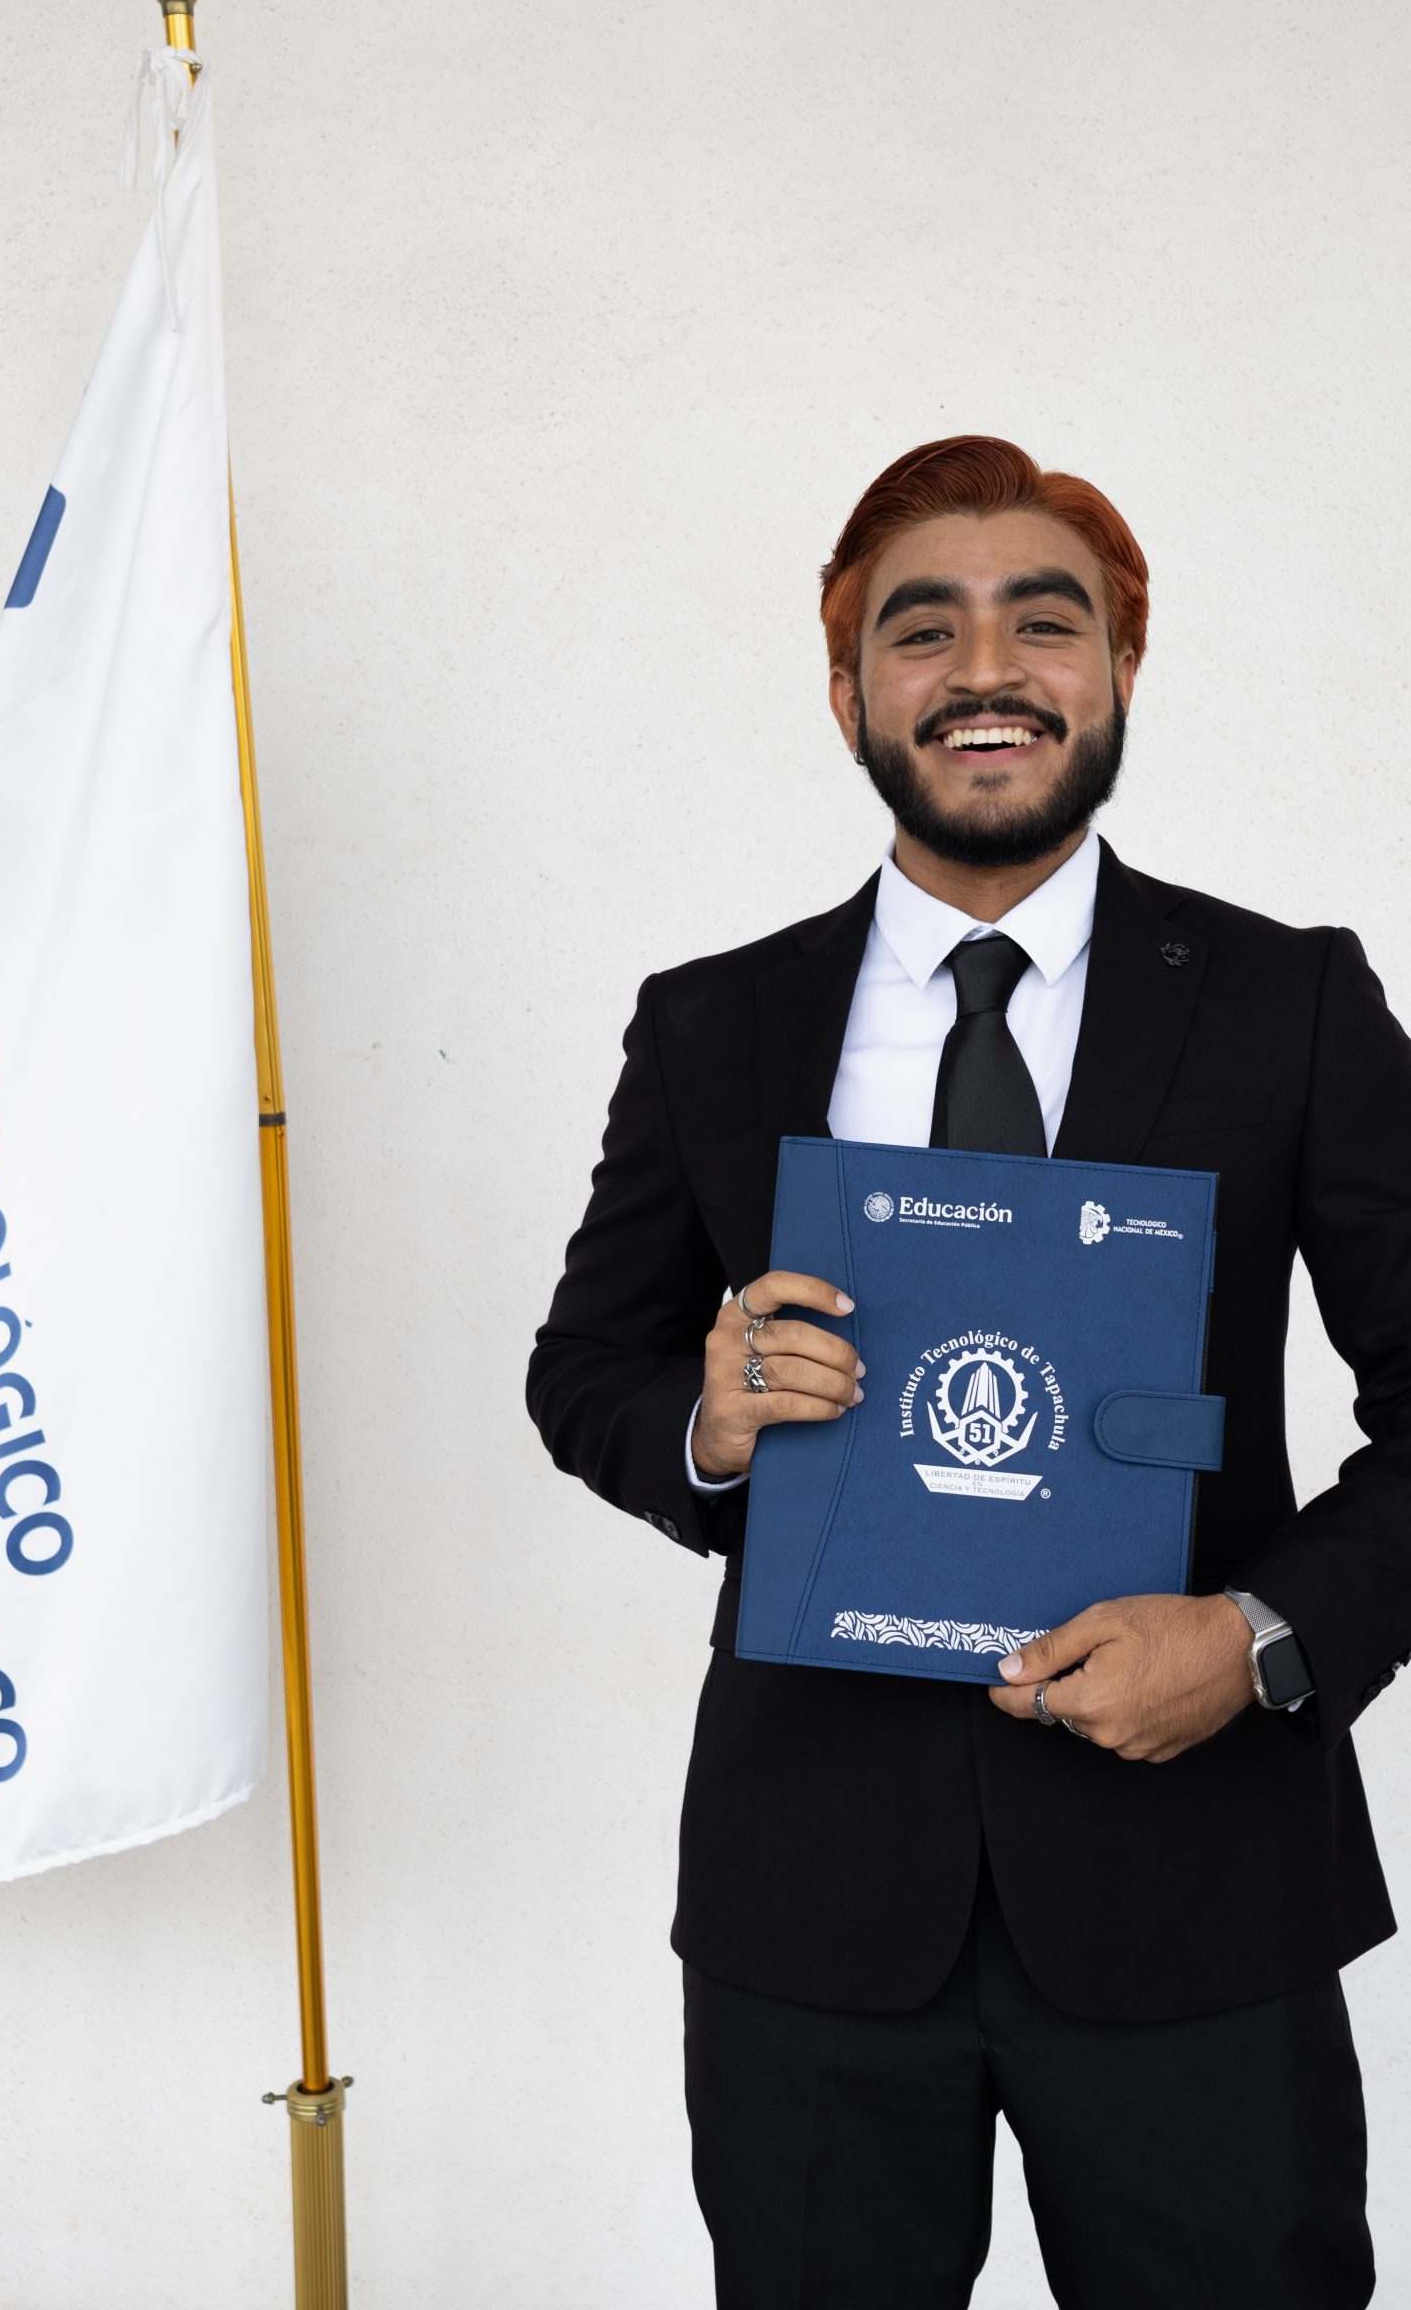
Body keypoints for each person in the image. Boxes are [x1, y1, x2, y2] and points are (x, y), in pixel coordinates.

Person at [526, 434, 1408, 2307]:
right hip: (812, 1907)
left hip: (1199, 1891)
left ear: (1122, 666)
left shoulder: (1294, 1004)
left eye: (1044, 622)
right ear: (847, 688)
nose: (984, 670)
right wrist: (705, 1424)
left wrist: (1258, 1637)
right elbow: (586, 1368)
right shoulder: (714, 1022)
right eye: (923, 631)